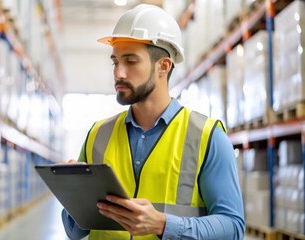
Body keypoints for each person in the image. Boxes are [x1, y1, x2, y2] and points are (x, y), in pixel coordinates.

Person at [61, 4, 245, 240]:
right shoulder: (97, 135)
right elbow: (75, 232)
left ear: (163, 66)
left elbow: (233, 227)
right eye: (115, 62)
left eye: (131, 61)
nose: (119, 73)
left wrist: (163, 225)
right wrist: (74, 199)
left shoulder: (207, 137)